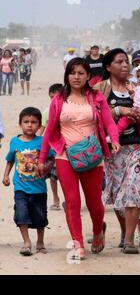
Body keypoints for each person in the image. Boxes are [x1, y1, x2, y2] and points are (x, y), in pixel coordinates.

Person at [38, 58, 121, 260]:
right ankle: (78, 244)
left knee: (94, 203)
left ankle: (97, 232)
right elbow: (48, 131)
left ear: (88, 76)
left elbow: (109, 123)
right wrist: (42, 159)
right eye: (73, 73)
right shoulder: (58, 99)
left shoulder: (97, 97)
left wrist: (115, 140)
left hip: (92, 156)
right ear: (67, 75)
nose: (77, 77)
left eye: (81, 73)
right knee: (73, 201)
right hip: (65, 156)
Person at [95, 48, 140, 254]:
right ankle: (124, 233)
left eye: (126, 62)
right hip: (113, 151)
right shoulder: (99, 90)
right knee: (117, 193)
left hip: (137, 149)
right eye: (119, 62)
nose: (125, 65)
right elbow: (93, 117)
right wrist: (118, 111)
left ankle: (130, 239)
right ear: (108, 67)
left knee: (133, 189)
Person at [3, 107, 55, 256]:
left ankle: (40, 242)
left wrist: (46, 167)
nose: (30, 125)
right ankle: (26, 242)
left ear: (39, 125)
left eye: (34, 122)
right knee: (21, 213)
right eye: (26, 122)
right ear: (20, 124)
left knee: (40, 216)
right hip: (20, 187)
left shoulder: (43, 141)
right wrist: (5, 175)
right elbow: (10, 160)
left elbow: (52, 158)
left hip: (39, 188)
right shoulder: (15, 142)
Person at [38, 83, 64, 210]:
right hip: (51, 149)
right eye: (51, 97)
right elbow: (41, 131)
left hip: (66, 148)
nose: (54, 100)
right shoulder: (46, 112)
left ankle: (68, 199)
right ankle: (56, 199)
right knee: (53, 176)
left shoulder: (67, 109)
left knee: (66, 176)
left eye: (56, 97)